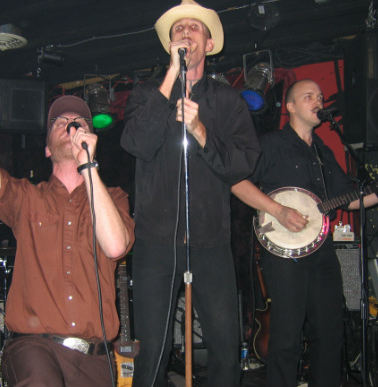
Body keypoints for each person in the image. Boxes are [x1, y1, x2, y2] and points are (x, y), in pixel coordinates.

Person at [0, 3, 135, 387]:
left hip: (95, 358)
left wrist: (89, 167)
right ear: (46, 147)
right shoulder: (26, 197)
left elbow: (114, 247)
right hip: (34, 347)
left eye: (79, 122)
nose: (71, 125)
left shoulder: (115, 198)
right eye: (60, 122)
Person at [231, 79, 378, 387]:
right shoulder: (271, 144)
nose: (318, 101)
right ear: (290, 107)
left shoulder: (324, 152)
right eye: (309, 96)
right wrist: (279, 210)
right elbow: (238, 182)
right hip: (283, 253)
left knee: (330, 333)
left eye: (319, 96)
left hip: (322, 252)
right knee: (287, 334)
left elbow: (352, 199)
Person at [120, 1, 261, 386]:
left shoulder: (229, 101)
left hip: (210, 240)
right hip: (155, 240)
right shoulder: (148, 94)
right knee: (153, 345)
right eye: (178, 28)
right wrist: (169, 79)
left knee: (224, 343)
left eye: (194, 28)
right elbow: (134, 142)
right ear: (170, 43)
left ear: (209, 41)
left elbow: (244, 163)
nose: (185, 32)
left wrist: (201, 132)